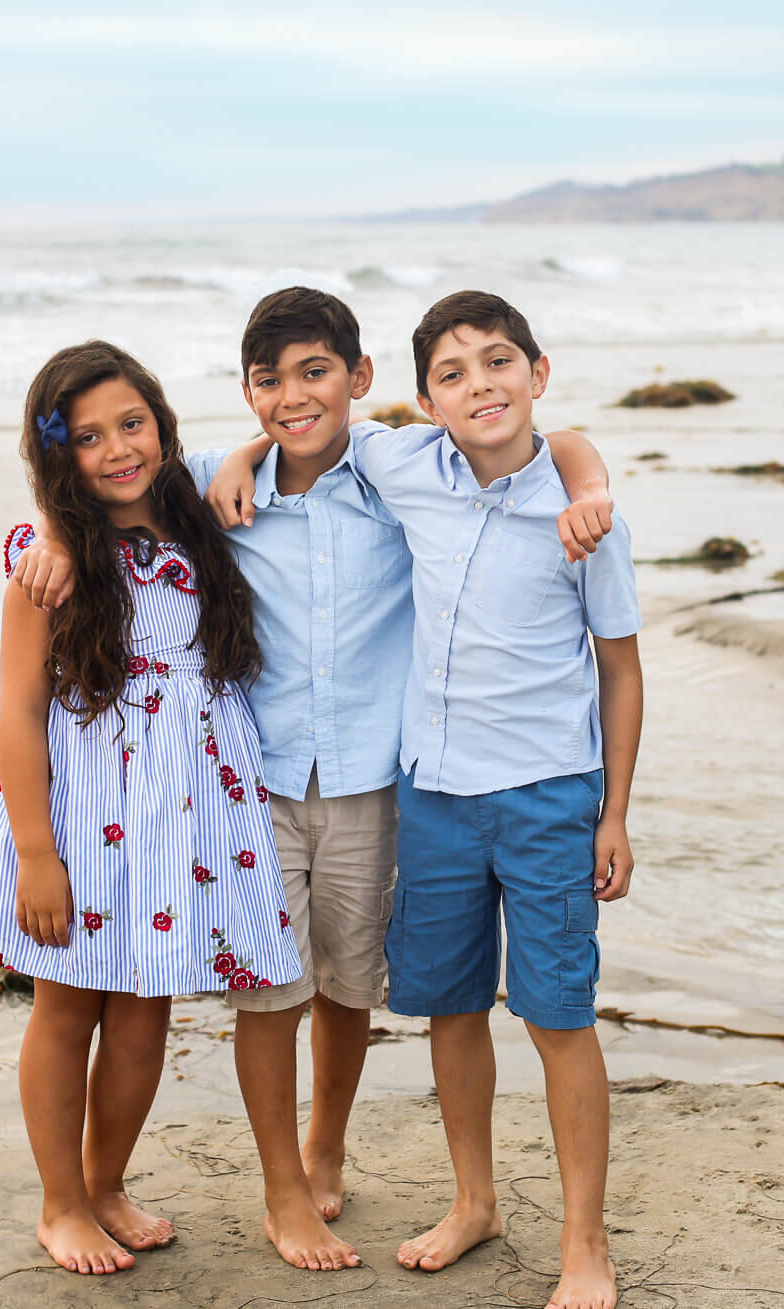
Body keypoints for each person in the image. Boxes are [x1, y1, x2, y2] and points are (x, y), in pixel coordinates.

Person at [11, 287, 615, 1275]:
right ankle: (282, 1191)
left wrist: (590, 484)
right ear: (246, 393)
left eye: (314, 373)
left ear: (359, 380)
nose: (293, 397)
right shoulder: (211, 479)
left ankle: (325, 1143)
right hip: (253, 786)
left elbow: (562, 443)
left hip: (378, 778)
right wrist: (46, 530)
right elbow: (98, 478)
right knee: (268, 993)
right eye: (268, 380)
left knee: (348, 984)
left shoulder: (401, 472)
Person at [212, 289, 642, 1309]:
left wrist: (614, 812)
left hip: (547, 796)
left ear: (537, 371)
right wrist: (235, 459)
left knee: (556, 1014)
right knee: (448, 1010)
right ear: (419, 399)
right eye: (451, 374)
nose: (478, 384)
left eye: (498, 362)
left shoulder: (582, 522)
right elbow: (298, 422)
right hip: (434, 795)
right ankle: (473, 1202)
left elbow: (620, 669)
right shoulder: (401, 464)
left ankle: (584, 1240)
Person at [0, 339, 302, 1277]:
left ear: (161, 422)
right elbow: (20, 713)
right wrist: (35, 851)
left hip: (180, 816)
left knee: (146, 1015)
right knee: (68, 1008)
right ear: (56, 454)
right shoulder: (47, 563)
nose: (117, 450)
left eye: (132, 424)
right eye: (88, 437)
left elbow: (274, 441)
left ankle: (105, 1182)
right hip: (83, 814)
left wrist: (237, 457)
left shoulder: (195, 517)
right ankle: (60, 1203)